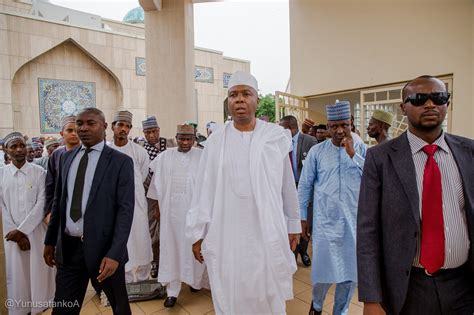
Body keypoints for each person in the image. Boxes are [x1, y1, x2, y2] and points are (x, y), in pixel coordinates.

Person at [357, 75, 474, 315]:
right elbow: (368, 231)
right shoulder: (380, 158)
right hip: (409, 287)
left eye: (439, 97)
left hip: (464, 285)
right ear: (403, 108)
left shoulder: (469, 152)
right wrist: (371, 298)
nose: (430, 104)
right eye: (420, 99)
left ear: (447, 103)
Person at [186, 71, 301, 314]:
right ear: (228, 102)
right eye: (233, 95)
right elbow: (203, 189)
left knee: (267, 293)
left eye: (245, 94)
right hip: (228, 234)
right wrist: (198, 232)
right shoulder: (216, 141)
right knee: (231, 290)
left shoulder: (274, 137)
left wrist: (293, 225)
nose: (239, 100)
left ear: (257, 100)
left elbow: (287, 185)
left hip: (266, 231)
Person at [43, 107, 135, 314]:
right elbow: (59, 202)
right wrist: (50, 241)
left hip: (105, 252)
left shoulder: (120, 162)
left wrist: (115, 254)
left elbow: (125, 211)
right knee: (63, 308)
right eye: (79, 123)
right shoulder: (66, 158)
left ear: (104, 127)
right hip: (69, 249)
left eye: (90, 123)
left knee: (119, 307)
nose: (83, 128)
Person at [298, 101, 367, 315]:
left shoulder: (362, 149)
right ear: (327, 127)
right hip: (325, 224)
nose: (339, 131)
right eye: (334, 126)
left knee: (349, 274)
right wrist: (302, 218)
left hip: (353, 224)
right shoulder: (317, 152)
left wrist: (352, 154)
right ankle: (317, 306)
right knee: (322, 272)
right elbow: (305, 185)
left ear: (351, 124)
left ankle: (341, 310)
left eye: (344, 125)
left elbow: (373, 180)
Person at [147, 124, 207, 308]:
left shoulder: (202, 156)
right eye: (181, 138)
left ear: (194, 139)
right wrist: (157, 207)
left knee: (195, 246)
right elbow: (156, 185)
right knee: (171, 249)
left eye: (189, 139)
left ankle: (195, 282)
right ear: (176, 137)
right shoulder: (165, 156)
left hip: (195, 214)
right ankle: (172, 291)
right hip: (171, 214)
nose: (185, 142)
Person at [0, 132, 55, 314]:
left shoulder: (39, 172)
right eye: (13, 147)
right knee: (17, 275)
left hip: (35, 233)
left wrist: (23, 230)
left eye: (21, 145)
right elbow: (2, 208)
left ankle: (38, 306)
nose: (18, 150)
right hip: (11, 236)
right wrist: (14, 232)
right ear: (6, 150)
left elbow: (42, 204)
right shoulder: (1, 174)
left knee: (37, 271)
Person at [109, 110, 153, 284]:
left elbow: (141, 176)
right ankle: (124, 279)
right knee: (120, 242)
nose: (123, 129)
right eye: (120, 125)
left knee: (140, 239)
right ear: (112, 126)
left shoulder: (139, 152)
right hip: (113, 207)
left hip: (136, 205)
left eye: (127, 126)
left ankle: (143, 278)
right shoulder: (105, 151)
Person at [279, 115, 318, 267]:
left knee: (305, 224)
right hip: (287, 189)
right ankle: (292, 254)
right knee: (291, 221)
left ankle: (304, 252)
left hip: (305, 189)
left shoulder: (309, 141)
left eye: (283, 128)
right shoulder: (280, 142)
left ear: (291, 128)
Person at [141, 115, 167, 278]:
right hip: (149, 196)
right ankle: (155, 262)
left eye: (154, 131)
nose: (151, 135)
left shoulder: (169, 144)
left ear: (158, 130)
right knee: (152, 231)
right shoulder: (141, 148)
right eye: (147, 132)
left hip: (169, 195)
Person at [44, 115, 81, 218]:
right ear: (62, 133)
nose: (74, 134)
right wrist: (48, 212)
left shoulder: (87, 153)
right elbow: (50, 185)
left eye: (76, 130)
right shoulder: (56, 155)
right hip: (60, 206)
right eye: (69, 130)